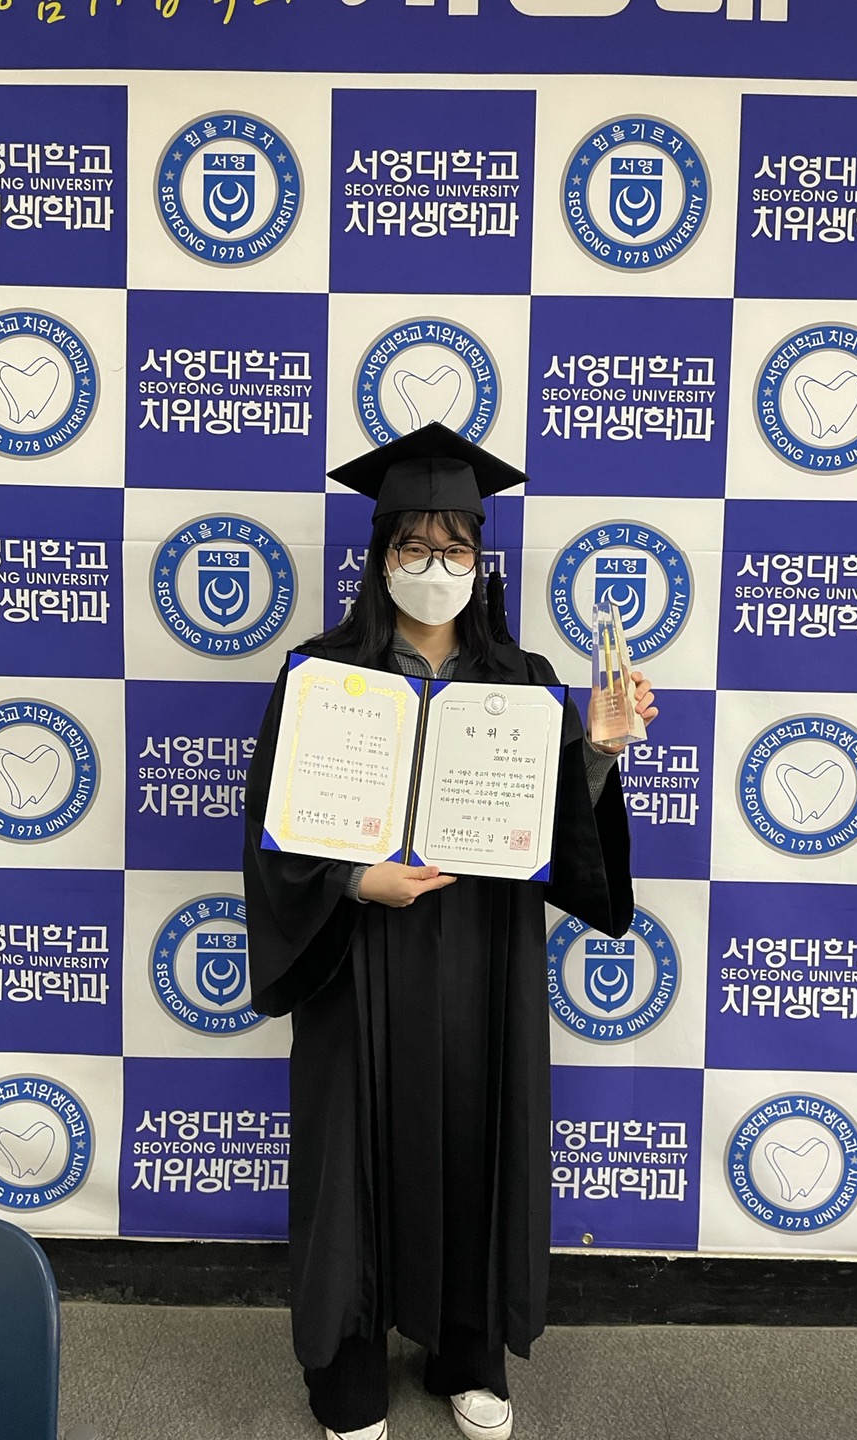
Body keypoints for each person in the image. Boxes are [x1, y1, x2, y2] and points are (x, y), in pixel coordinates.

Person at [243, 423, 658, 1440]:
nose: (434, 569)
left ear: (481, 560)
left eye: (454, 549)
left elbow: (559, 832)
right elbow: (272, 831)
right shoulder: (320, 674)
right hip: (359, 957)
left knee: (480, 1137)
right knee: (350, 1154)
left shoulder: (524, 680)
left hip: (482, 951)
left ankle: (467, 1352)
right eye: (413, 547)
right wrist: (353, 879)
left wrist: (599, 752)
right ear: (381, 556)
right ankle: (347, 1368)